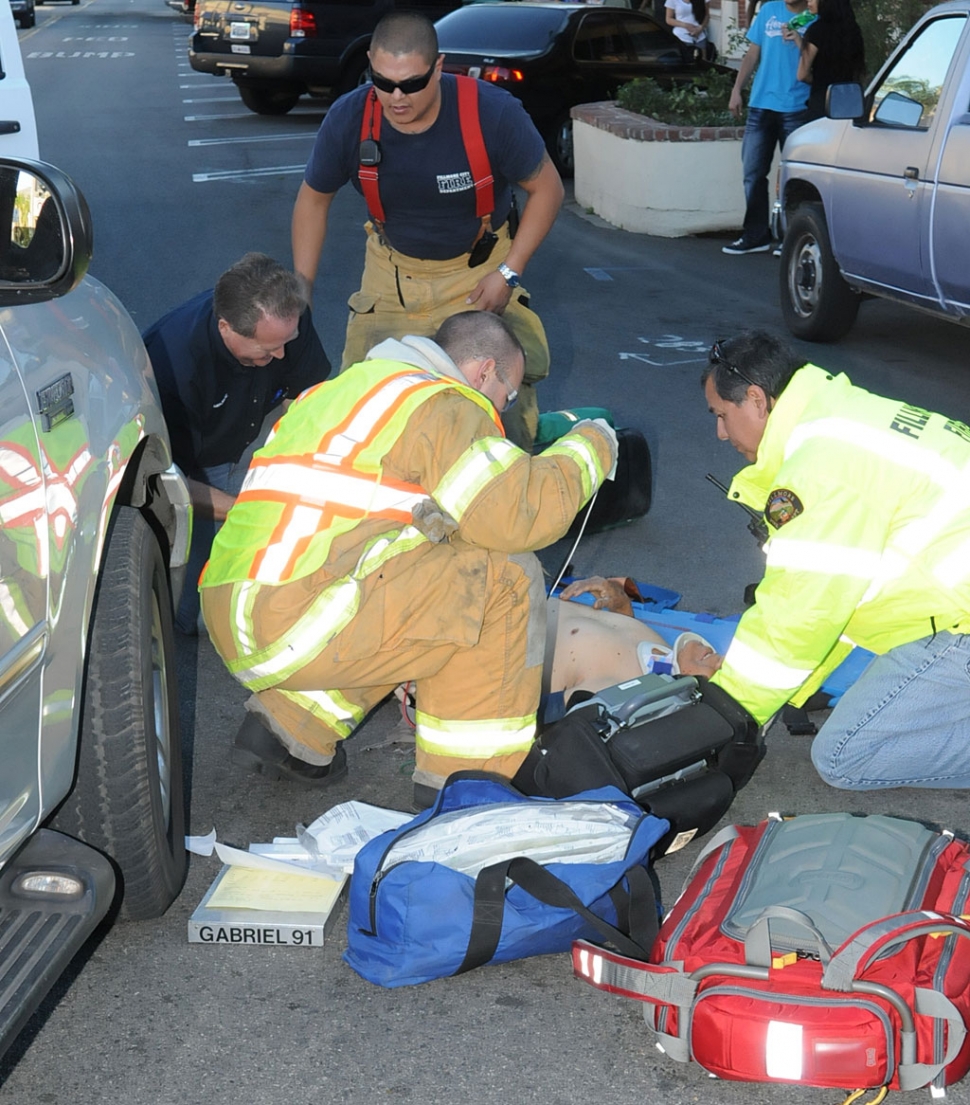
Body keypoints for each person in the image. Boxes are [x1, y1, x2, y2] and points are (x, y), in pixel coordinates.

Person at [199, 311, 617, 808]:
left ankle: (290, 728)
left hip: (241, 608)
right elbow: (517, 517)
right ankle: (471, 780)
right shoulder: (446, 403)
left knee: (422, 583)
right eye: (508, 393)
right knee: (504, 577)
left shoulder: (350, 389)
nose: (503, 411)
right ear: (484, 372)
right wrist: (592, 443)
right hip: (300, 621)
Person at [701, 329, 970, 790]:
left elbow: (801, 616)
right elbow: (838, 612)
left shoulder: (820, 470)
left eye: (722, 415)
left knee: (845, 755)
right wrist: (791, 694)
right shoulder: (841, 417)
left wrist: (726, 715)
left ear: (755, 398)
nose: (720, 433)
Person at [290, 11, 565, 451]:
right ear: (370, 65)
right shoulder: (350, 118)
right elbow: (312, 199)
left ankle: (509, 496)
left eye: (413, 84)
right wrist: (302, 288)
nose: (397, 97)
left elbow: (547, 189)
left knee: (501, 407)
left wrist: (509, 274)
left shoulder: (491, 114)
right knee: (361, 404)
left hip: (479, 277)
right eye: (384, 82)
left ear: (438, 67)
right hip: (392, 274)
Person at [143, 253, 331, 634]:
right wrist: (251, 512)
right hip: (190, 466)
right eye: (267, 350)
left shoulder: (286, 322)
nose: (281, 356)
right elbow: (163, 479)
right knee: (194, 614)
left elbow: (309, 400)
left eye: (286, 343)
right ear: (226, 327)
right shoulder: (170, 365)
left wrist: (309, 473)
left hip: (241, 441)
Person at [544, 577, 722, 722]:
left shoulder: (615, 693)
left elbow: (528, 718)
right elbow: (615, 646)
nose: (721, 660)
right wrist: (620, 603)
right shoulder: (660, 658)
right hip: (531, 596)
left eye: (722, 672)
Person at [724, 0, 810, 255]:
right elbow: (753, 52)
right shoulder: (770, 10)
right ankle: (756, 234)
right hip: (761, 103)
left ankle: (790, 237)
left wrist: (799, 39)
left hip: (795, 105)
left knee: (794, 178)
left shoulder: (813, 16)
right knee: (752, 172)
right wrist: (737, 89)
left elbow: (818, 61)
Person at [785, 0, 865, 121]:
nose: (808, 2)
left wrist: (819, 80)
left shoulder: (816, 30)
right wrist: (798, 39)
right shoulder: (854, 30)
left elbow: (802, 75)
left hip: (823, 104)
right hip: (850, 103)